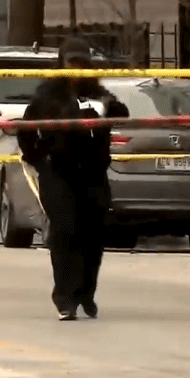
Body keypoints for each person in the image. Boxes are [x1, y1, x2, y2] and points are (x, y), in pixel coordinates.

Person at [17, 37, 130, 321]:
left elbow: (122, 114)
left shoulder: (99, 93)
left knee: (93, 235)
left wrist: (106, 108)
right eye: (72, 63)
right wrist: (39, 158)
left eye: (83, 63)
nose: (78, 69)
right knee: (65, 231)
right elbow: (26, 130)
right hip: (59, 172)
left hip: (93, 172)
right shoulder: (47, 98)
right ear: (62, 65)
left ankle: (85, 293)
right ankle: (65, 297)